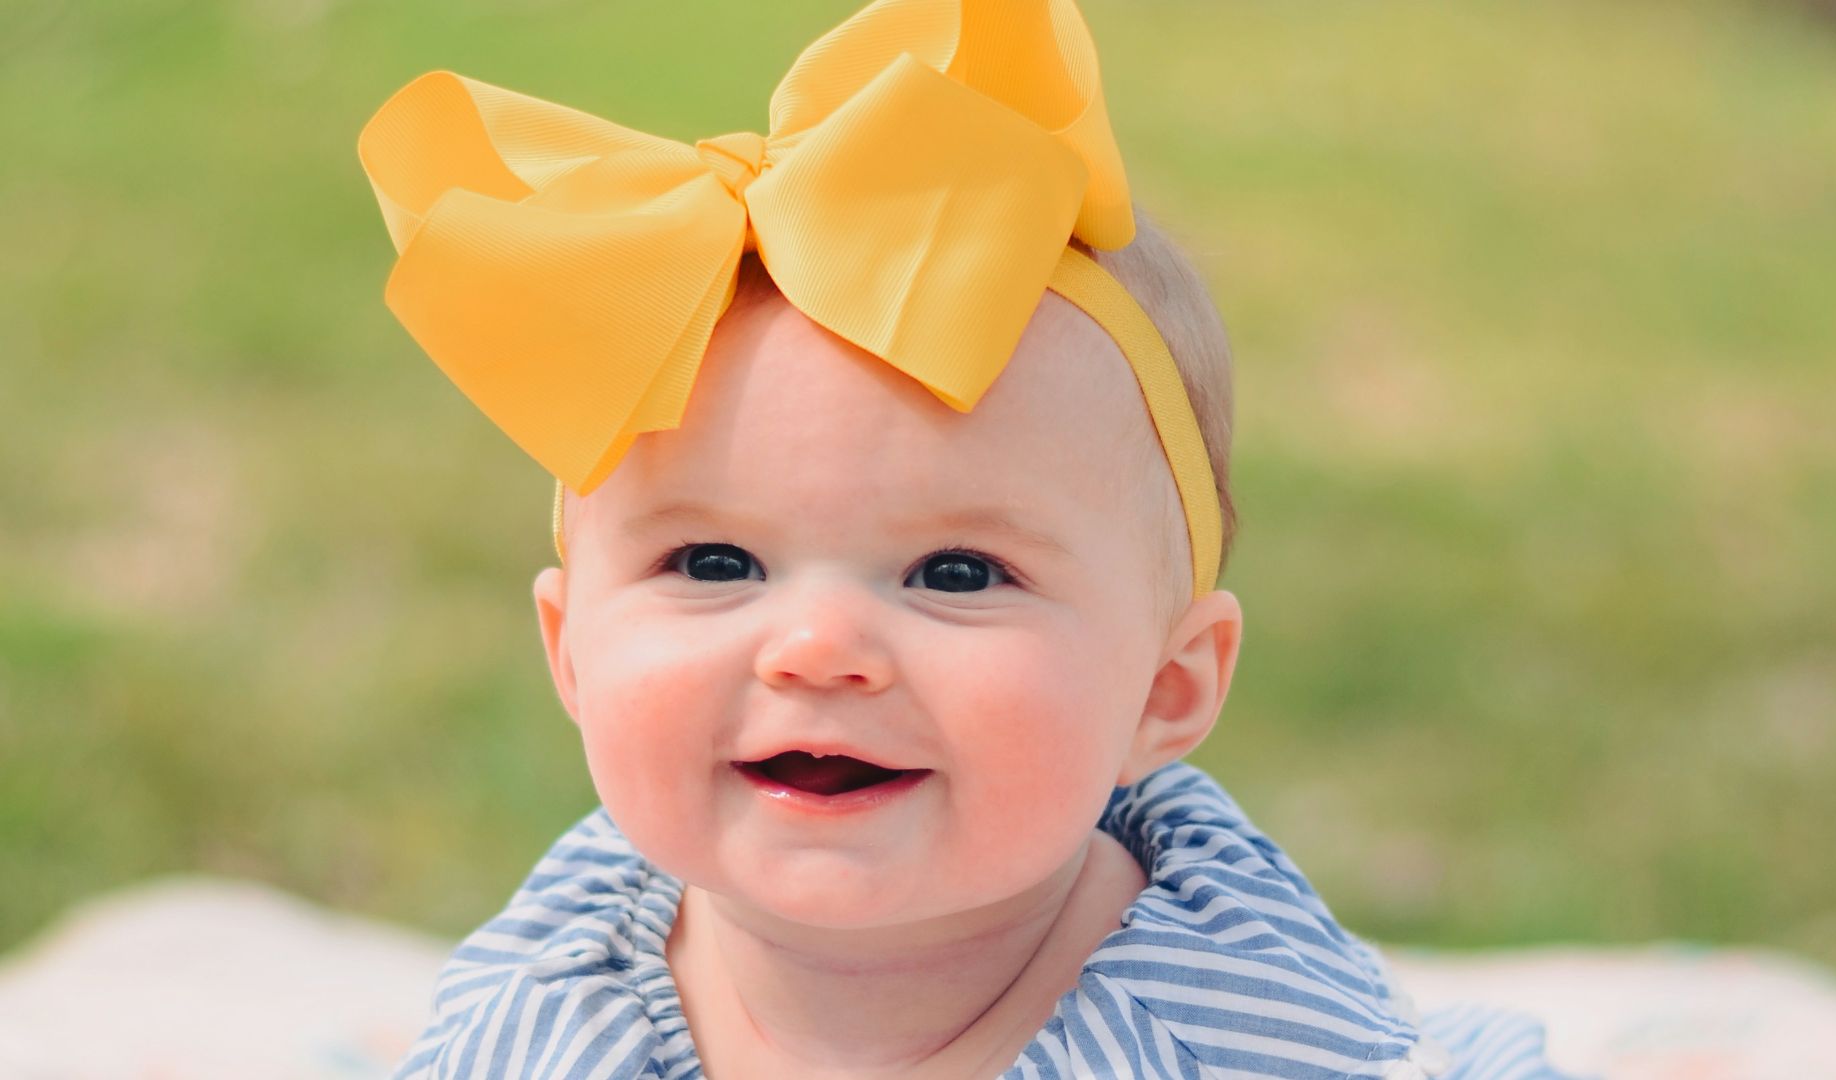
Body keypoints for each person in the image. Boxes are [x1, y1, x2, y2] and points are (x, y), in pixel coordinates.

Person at [358, 1, 1570, 1076]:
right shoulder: (559, 991)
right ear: (571, 653)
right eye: (714, 564)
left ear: (1166, 687)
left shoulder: (1237, 1035)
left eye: (956, 573)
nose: (819, 649)